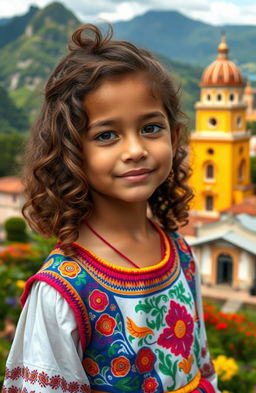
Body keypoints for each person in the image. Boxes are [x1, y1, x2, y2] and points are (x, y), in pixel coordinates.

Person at [2, 24, 219, 393]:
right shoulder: (63, 291)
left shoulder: (180, 253)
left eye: (151, 127)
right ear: (71, 153)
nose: (135, 149)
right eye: (107, 135)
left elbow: (201, 365)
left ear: (175, 137)